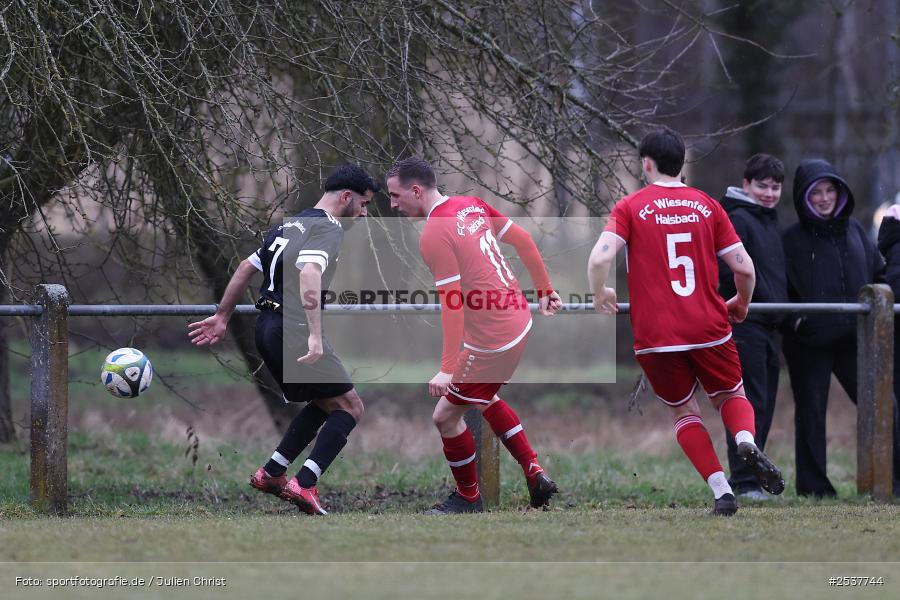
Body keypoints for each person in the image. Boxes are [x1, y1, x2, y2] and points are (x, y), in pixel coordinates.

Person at [588, 127, 784, 516]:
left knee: (684, 412)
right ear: (683, 163)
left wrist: (600, 292)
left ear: (646, 163)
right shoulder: (708, 206)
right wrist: (741, 303)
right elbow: (744, 268)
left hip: (656, 335)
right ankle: (745, 439)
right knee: (731, 395)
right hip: (708, 326)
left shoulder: (629, 207)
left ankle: (722, 491)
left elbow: (598, 260)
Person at [188, 164, 378, 515]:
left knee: (324, 403)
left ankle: (271, 473)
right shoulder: (328, 227)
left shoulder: (289, 225)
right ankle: (304, 483)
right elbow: (309, 273)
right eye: (364, 204)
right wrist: (315, 336)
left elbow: (246, 268)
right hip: (293, 327)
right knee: (351, 407)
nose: (364, 213)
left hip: (267, 328)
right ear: (347, 197)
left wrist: (223, 316)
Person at [386, 157, 563, 514]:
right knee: (482, 397)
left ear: (416, 191)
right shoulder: (472, 205)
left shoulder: (434, 234)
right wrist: (544, 290)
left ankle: (468, 498)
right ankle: (534, 473)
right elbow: (525, 240)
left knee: (445, 417)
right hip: (518, 320)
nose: (392, 204)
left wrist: (448, 367)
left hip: (494, 338)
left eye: (395, 195)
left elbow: (453, 306)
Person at [783, 159, 899, 497]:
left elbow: (878, 275)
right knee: (811, 415)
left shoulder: (856, 232)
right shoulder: (790, 239)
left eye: (829, 190)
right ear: (803, 197)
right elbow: (778, 288)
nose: (823, 198)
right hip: (809, 342)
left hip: (855, 340)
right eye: (815, 192)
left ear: (840, 192)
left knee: (883, 404)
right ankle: (814, 488)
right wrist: (796, 322)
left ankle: (887, 482)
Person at [716, 154, 787, 501]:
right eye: (762, 185)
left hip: (770, 326)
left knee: (766, 401)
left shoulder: (769, 221)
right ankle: (743, 481)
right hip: (745, 324)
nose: (769, 193)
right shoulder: (738, 219)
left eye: (775, 187)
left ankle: (753, 478)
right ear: (746, 184)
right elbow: (727, 272)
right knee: (748, 401)